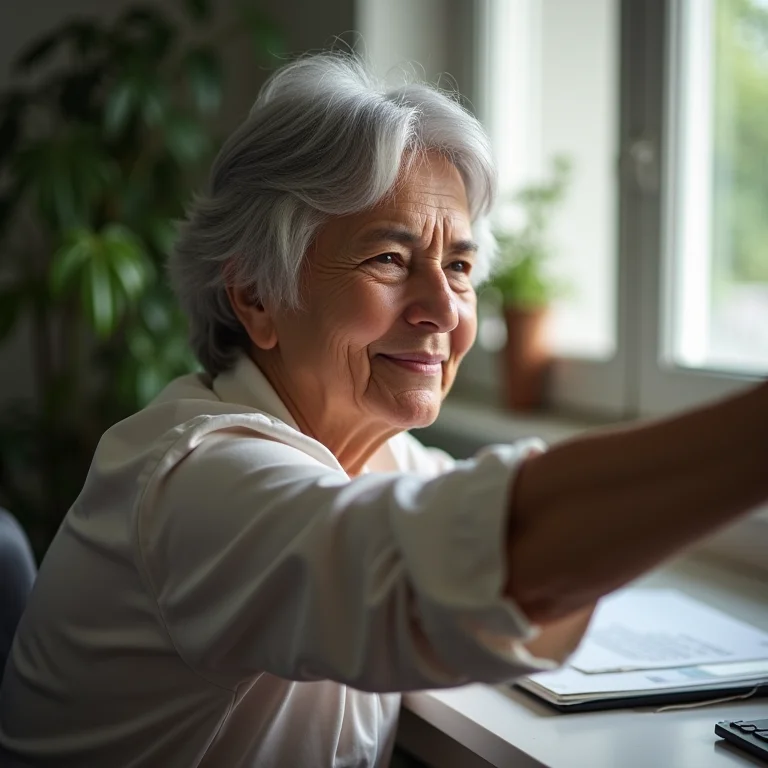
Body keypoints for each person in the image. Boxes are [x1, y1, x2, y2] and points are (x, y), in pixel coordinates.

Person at [0, 53, 766, 768]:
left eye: (460, 266)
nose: (442, 308)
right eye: (389, 259)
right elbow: (483, 558)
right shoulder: (199, 478)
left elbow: (467, 525)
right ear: (257, 295)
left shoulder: (373, 451)